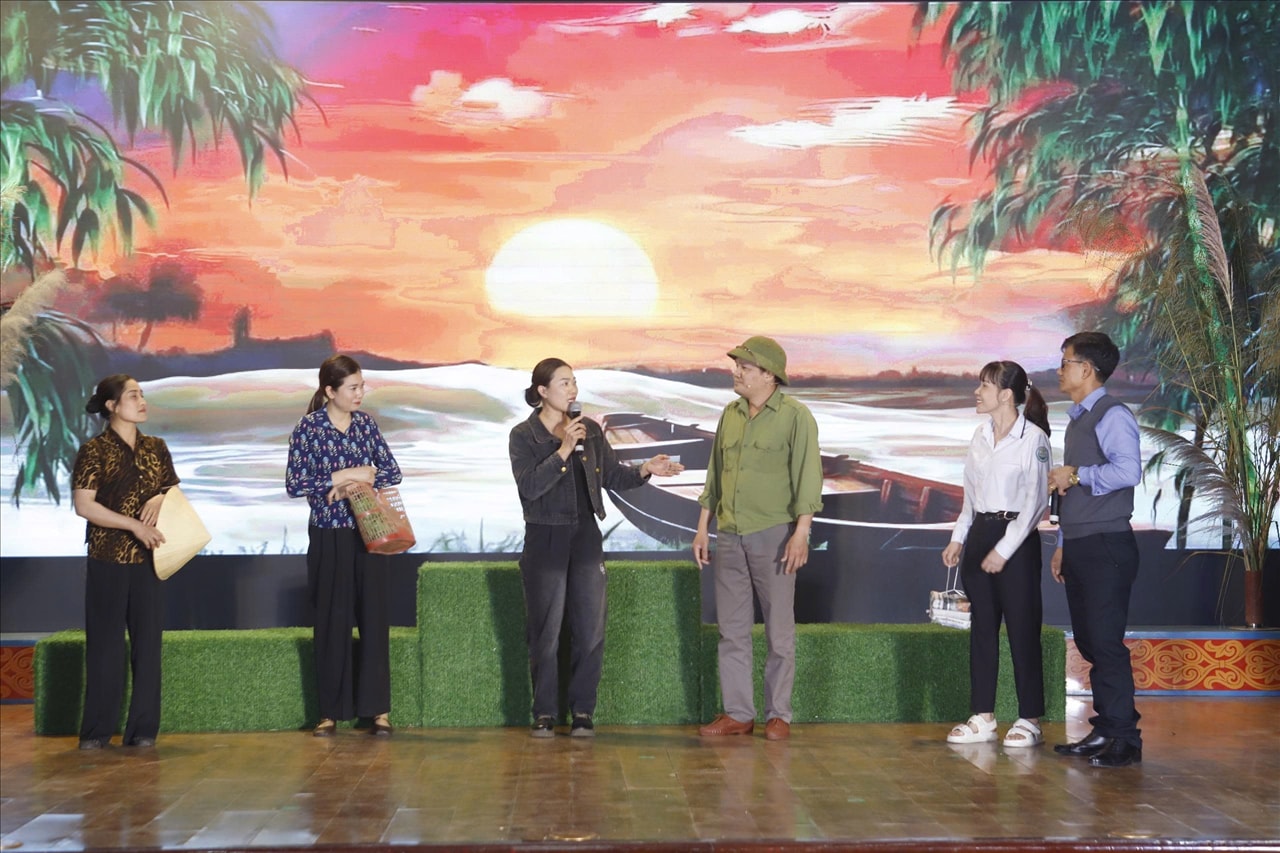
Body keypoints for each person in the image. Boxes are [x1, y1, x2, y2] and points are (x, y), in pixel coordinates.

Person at [508, 357, 683, 738]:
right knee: (546, 632)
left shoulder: (589, 429)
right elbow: (530, 487)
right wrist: (564, 449)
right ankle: (545, 712)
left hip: (585, 535)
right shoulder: (523, 435)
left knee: (590, 628)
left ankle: (583, 711)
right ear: (542, 391)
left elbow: (613, 475)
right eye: (564, 383)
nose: (573, 389)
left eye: (574, 382)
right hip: (545, 537)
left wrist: (645, 469)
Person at [693, 336, 823, 742]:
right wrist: (703, 526)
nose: (736, 372)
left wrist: (801, 532)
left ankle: (778, 715)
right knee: (731, 630)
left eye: (745, 367)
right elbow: (715, 475)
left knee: (778, 630)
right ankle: (738, 714)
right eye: (737, 366)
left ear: (769, 375)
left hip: (775, 535)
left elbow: (808, 477)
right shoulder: (729, 415)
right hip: (729, 533)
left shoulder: (796, 417)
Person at [286, 355, 403, 737]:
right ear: (330, 391)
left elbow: (391, 471)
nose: (360, 393)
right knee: (331, 622)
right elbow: (295, 483)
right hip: (328, 535)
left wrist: (352, 485)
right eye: (353, 387)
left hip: (370, 532)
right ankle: (329, 712)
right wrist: (348, 475)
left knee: (374, 620)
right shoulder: (309, 428)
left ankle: (377, 710)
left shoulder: (366, 424)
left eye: (361, 386)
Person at [942, 361, 1051, 748]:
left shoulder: (1034, 439)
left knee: (1022, 630)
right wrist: (958, 538)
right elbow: (970, 497)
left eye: (985, 386)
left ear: (1006, 395)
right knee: (982, 631)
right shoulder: (979, 435)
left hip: (1017, 541)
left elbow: (1036, 503)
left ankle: (1029, 718)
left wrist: (1004, 550)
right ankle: (983, 716)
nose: (977, 392)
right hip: (980, 536)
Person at [1049, 332, 1144, 767]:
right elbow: (1071, 492)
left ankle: (1125, 737)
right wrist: (1062, 544)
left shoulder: (1112, 414)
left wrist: (1077, 475)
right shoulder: (1078, 419)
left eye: (1065, 362)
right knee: (1090, 641)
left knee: (1105, 643)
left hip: (1107, 544)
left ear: (1086, 369)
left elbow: (1128, 471)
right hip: (1082, 543)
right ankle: (1106, 729)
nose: (1059, 370)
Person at [72, 374, 179, 749]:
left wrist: (160, 498)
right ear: (112, 406)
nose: (142, 400)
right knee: (105, 647)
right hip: (108, 557)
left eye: (142, 394)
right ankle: (97, 732)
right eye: (133, 395)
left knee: (148, 648)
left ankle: (144, 730)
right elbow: (84, 505)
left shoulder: (156, 447)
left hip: (150, 560)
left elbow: (172, 488)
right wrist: (134, 525)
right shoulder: (95, 450)